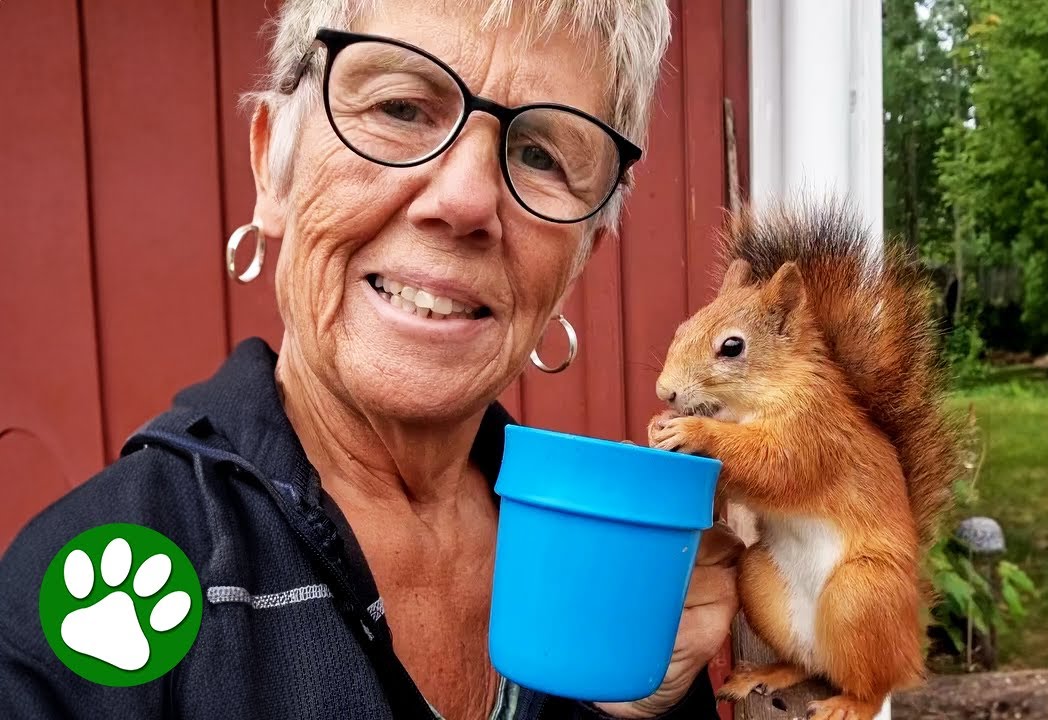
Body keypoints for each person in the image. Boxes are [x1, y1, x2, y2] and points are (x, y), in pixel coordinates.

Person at [0, 1, 741, 718]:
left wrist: (635, 708)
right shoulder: (88, 587)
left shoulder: (607, 575)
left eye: (540, 154)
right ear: (272, 167)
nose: (464, 199)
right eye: (401, 108)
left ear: (582, 256)